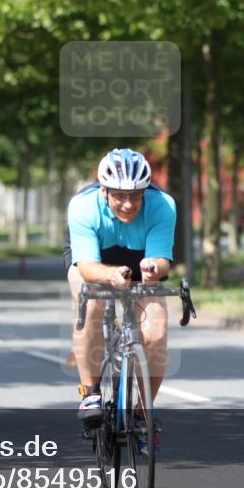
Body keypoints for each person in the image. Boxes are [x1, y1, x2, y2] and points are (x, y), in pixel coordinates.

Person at [64, 148, 175, 449]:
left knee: (157, 330)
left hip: (140, 256)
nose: (128, 204)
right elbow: (86, 267)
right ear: (104, 190)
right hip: (94, 256)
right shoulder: (83, 207)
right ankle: (90, 395)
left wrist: (153, 269)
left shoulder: (162, 205)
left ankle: (142, 413)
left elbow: (162, 261)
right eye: (119, 196)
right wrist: (111, 276)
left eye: (136, 196)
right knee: (91, 303)